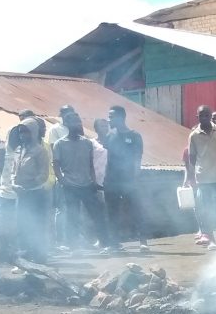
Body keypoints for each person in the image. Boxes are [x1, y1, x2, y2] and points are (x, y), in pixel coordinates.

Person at [53, 112, 113, 252]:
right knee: (72, 217)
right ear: (66, 124)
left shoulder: (86, 142)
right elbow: (55, 164)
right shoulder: (59, 144)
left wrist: (93, 181)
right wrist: (62, 180)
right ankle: (73, 246)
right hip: (70, 186)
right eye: (73, 121)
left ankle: (105, 243)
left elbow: (90, 164)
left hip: (87, 185)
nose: (77, 124)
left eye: (78, 121)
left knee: (97, 214)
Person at [186, 105, 216, 251]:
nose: (205, 117)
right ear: (197, 117)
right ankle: (211, 238)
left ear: (210, 115)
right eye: (201, 115)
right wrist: (191, 176)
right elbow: (191, 157)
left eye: (207, 114)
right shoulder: (193, 135)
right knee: (207, 208)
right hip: (204, 178)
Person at [105, 105, 148, 253]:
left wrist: (136, 178)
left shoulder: (135, 136)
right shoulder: (109, 136)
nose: (108, 119)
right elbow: (105, 158)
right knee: (112, 212)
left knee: (136, 210)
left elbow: (137, 159)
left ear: (120, 117)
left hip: (130, 180)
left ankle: (143, 241)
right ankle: (114, 244)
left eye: (111, 117)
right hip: (111, 180)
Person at [10, 117, 50, 262]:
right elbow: (13, 172)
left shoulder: (40, 151)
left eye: (26, 132)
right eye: (21, 133)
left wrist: (29, 185)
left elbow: (43, 175)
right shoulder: (18, 151)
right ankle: (24, 260)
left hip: (35, 194)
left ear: (33, 132)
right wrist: (14, 185)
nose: (22, 136)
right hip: (21, 195)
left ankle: (40, 259)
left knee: (37, 226)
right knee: (21, 226)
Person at [0, 124, 23, 258]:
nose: (18, 137)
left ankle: (17, 253)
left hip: (20, 195)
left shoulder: (24, 151)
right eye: (15, 134)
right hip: (5, 194)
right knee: (2, 225)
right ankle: (1, 253)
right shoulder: (2, 152)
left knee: (18, 226)